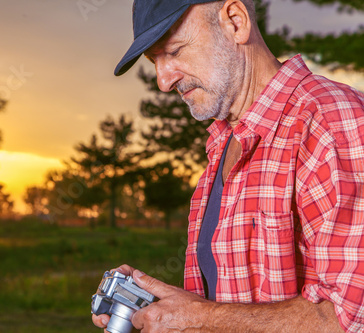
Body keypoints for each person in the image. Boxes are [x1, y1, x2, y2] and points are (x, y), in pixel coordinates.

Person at [92, 0, 364, 332]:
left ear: (235, 21)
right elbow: (231, 304)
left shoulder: (330, 122)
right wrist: (161, 309)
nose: (163, 81)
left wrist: (200, 319)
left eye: (175, 51)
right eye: (154, 60)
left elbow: (352, 316)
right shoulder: (223, 143)